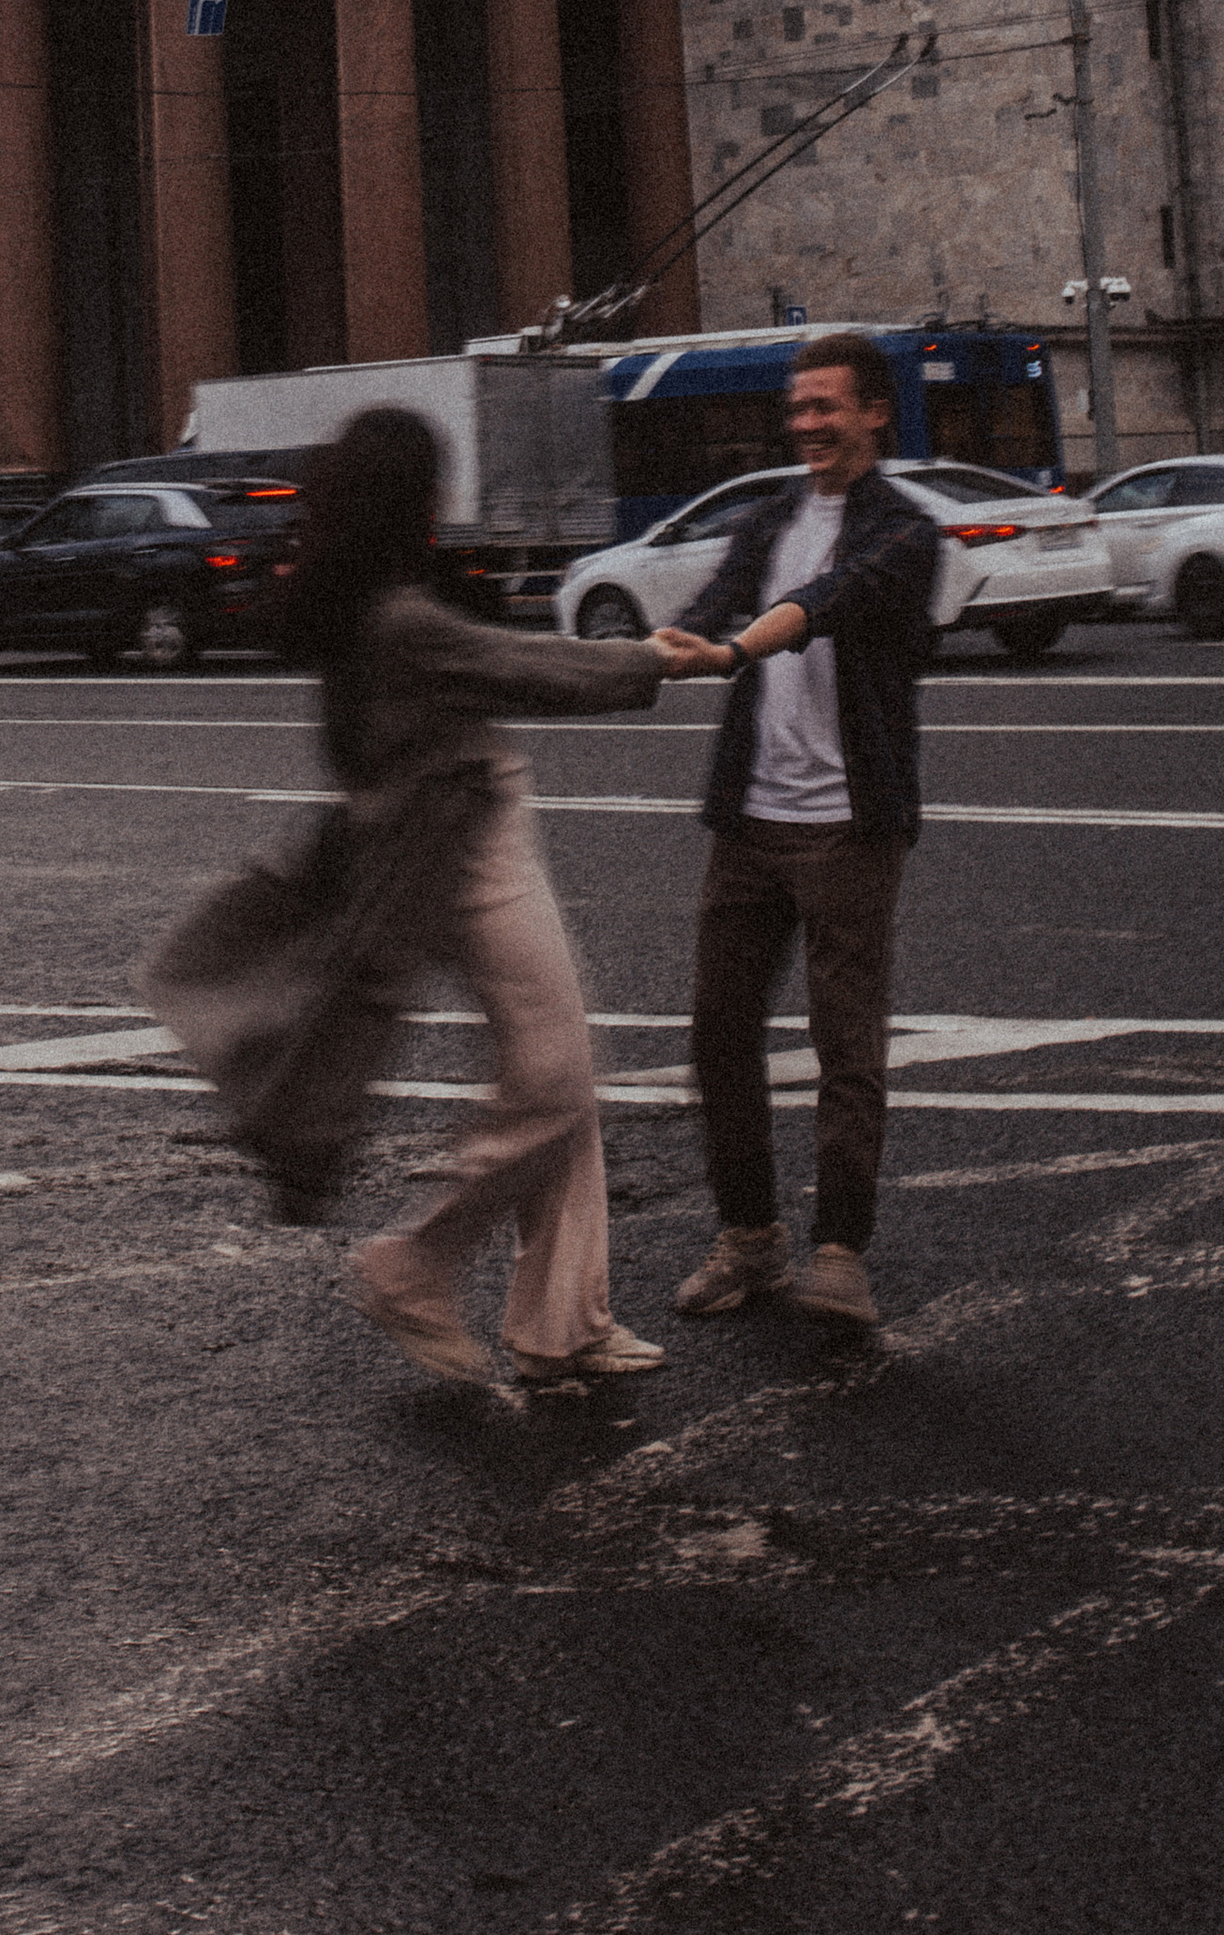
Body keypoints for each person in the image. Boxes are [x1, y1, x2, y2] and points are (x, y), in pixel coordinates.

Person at [148, 406, 705, 1392]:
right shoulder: (400, 618)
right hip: (464, 843)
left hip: (422, 842)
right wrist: (656, 657)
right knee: (557, 1078)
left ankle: (564, 1322)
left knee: (559, 1062)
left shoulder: (356, 596)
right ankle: (417, 1265)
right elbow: (529, 670)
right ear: (411, 498)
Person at [652, 331, 938, 1333]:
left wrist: (727, 651)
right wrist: (638, 658)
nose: (807, 424)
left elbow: (823, 605)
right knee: (717, 1031)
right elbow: (712, 605)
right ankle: (750, 1240)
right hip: (750, 819)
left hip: (848, 825)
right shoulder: (772, 513)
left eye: (827, 407)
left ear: (873, 415)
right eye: (798, 407)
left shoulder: (905, 534)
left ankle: (838, 1252)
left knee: (844, 1044)